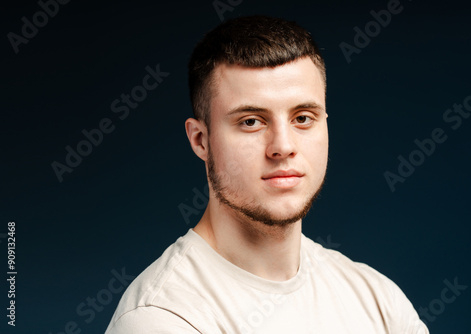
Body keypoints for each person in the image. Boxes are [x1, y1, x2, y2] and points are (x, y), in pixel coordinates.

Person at [105, 15, 429, 333]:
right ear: (201, 140)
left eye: (303, 118)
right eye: (251, 121)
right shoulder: (161, 318)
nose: (283, 146)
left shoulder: (378, 301)